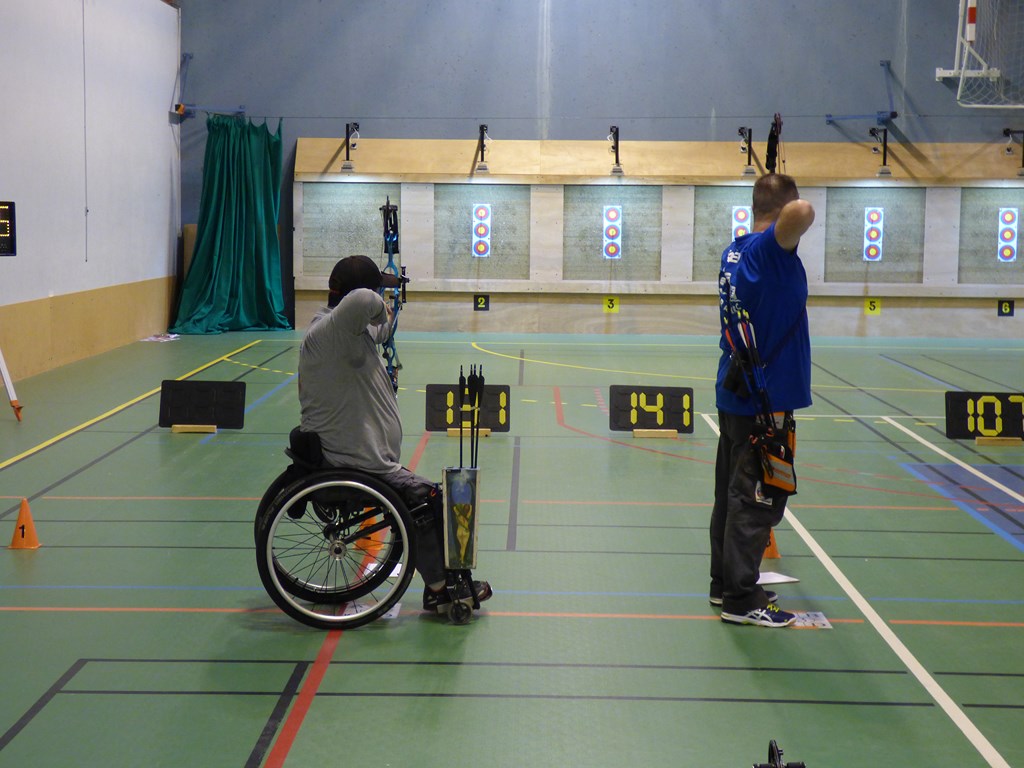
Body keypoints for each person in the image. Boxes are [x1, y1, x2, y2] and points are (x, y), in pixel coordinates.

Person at [297, 254, 492, 614]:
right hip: (356, 461)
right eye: (376, 288)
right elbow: (364, 302)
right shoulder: (333, 329)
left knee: (427, 496)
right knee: (427, 498)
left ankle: (441, 582)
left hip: (364, 457)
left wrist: (392, 305)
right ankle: (440, 588)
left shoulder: (346, 332)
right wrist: (379, 299)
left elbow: (382, 329)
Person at [710, 174, 815, 628]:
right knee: (754, 501)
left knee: (729, 496)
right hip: (762, 399)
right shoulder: (768, 250)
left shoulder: (734, 252)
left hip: (737, 392)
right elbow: (801, 212)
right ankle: (741, 598)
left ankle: (724, 584)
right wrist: (783, 222)